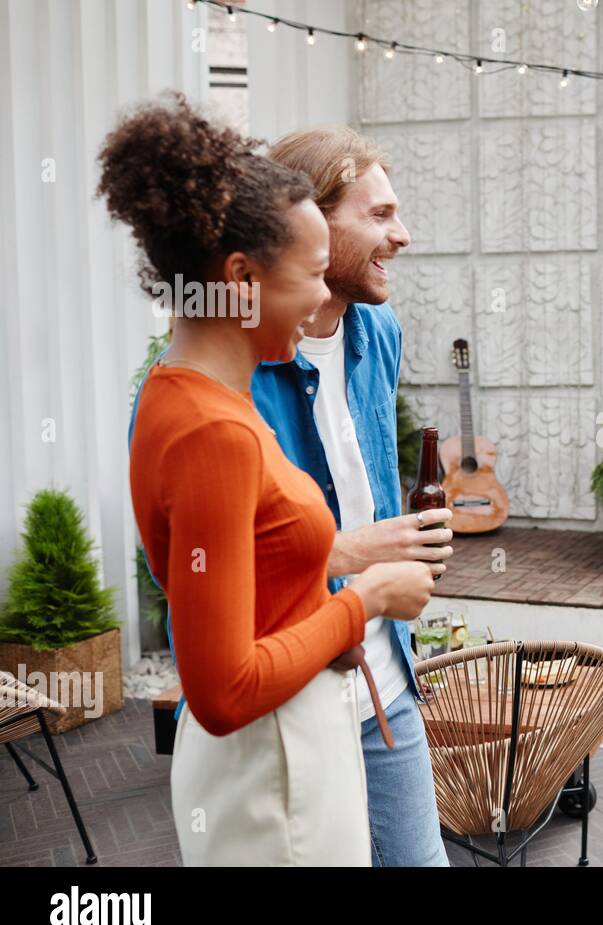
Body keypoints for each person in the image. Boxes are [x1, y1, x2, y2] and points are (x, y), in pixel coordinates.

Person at [106, 94, 439, 865]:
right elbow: (221, 688)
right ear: (241, 277)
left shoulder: (182, 393)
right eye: (315, 274)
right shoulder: (215, 429)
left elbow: (245, 566)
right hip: (280, 755)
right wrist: (366, 598)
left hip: (330, 715)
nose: (327, 301)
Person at [251, 126, 452, 867]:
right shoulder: (230, 366)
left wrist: (402, 542)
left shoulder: (379, 328)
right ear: (306, 222)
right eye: (378, 215)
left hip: (384, 678)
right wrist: (349, 553)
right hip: (290, 696)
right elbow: (194, 564)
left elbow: (358, 472)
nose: (402, 235)